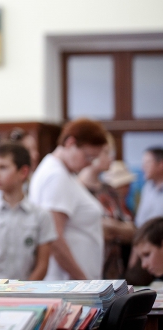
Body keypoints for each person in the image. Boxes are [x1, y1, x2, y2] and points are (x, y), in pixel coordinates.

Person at [29, 118, 108, 280]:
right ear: (70, 143)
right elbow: (55, 238)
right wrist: (83, 281)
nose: (89, 164)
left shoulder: (62, 172)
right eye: (88, 156)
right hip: (68, 283)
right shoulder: (56, 176)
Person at [0, 142, 56, 280]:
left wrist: (25, 292)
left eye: (3, 167)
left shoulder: (41, 216)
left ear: (23, 172)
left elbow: (42, 265)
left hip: (25, 293)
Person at [78, 135, 136, 279]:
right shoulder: (76, 190)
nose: (111, 157)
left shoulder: (110, 191)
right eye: (106, 152)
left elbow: (132, 232)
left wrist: (110, 227)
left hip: (114, 271)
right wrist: (116, 229)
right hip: (83, 271)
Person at [134, 147, 163, 228]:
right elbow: (140, 221)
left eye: (147, 163)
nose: (143, 168)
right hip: (144, 235)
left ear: (161, 164)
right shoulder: (147, 187)